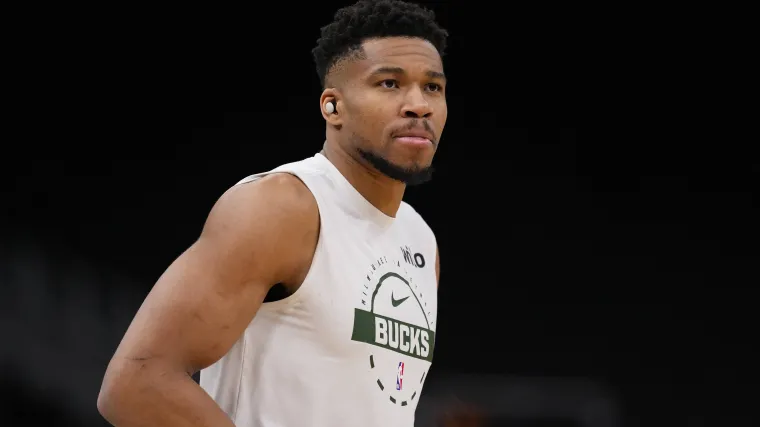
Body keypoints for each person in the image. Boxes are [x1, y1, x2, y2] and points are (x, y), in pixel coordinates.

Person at [97, 0, 449, 425]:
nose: (419, 105)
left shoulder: (419, 240)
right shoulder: (283, 206)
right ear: (333, 106)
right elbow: (136, 383)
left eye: (433, 87)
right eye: (389, 83)